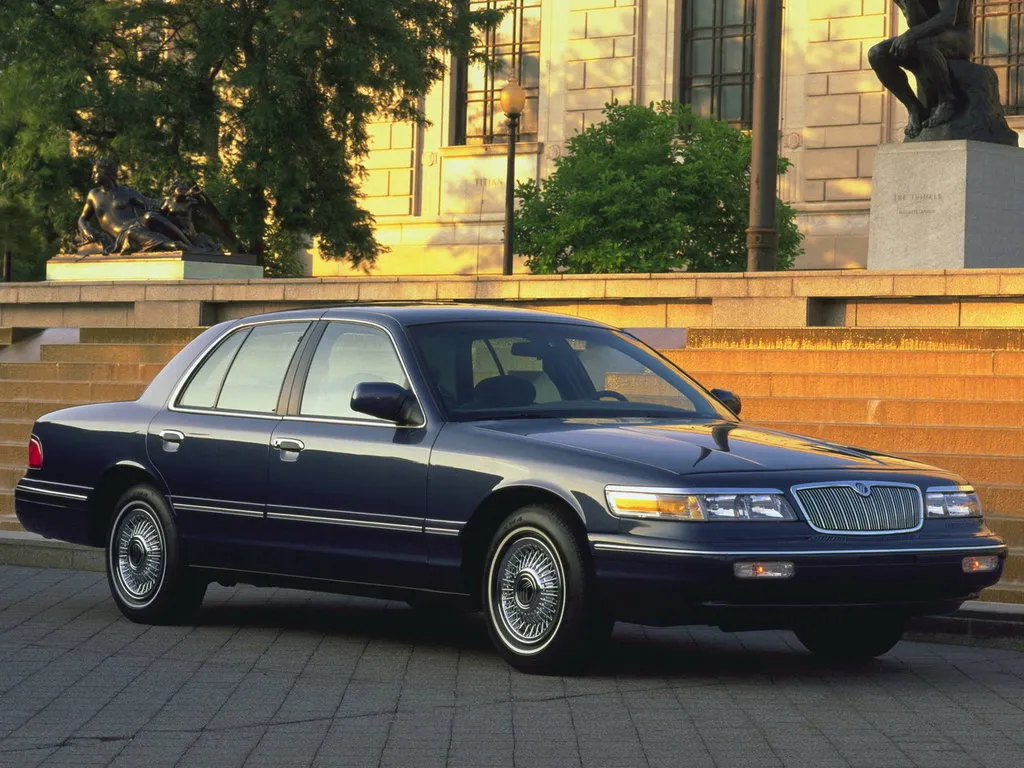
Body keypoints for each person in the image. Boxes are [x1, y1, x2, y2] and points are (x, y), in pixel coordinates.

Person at [868, 1, 973, 139]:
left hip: (957, 36)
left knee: (920, 41)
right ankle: (915, 108)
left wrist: (912, 35)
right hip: (928, 36)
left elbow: (948, 17)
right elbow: (917, 22)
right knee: (877, 54)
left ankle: (947, 100)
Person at [77, 159, 191, 254]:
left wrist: (174, 199)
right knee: (131, 232)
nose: (92, 176)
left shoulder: (126, 192)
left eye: (95, 172)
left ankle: (188, 243)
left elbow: (152, 204)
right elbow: (83, 218)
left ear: (106, 173)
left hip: (134, 223)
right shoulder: (93, 194)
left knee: (150, 216)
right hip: (120, 232)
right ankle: (166, 244)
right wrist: (85, 229)